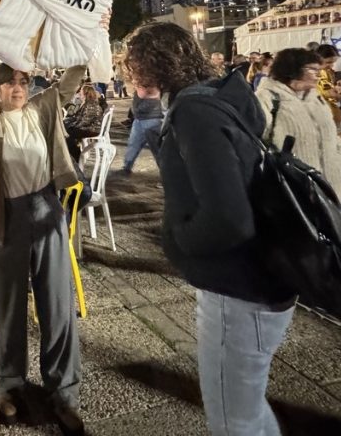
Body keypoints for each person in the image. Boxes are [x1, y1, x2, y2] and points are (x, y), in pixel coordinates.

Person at [127, 23, 297, 436]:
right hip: (261, 277)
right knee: (248, 409)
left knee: (233, 422)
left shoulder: (194, 113)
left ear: (152, 65)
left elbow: (229, 218)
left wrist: (178, 240)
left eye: (132, 66)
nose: (129, 76)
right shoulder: (219, 96)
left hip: (236, 289)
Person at [0, 5, 92, 434]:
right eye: (10, 82)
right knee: (8, 306)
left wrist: (87, 30)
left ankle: (64, 392)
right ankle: (9, 387)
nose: (18, 87)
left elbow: (72, 79)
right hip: (4, 216)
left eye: (23, 81)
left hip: (46, 209)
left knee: (58, 304)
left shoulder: (43, 107)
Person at [256, 48, 341, 201]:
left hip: (333, 190)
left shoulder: (316, 98)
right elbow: (257, 143)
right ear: (292, 70)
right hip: (292, 192)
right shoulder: (267, 98)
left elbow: (333, 135)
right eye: (312, 70)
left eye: (319, 70)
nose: (319, 75)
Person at [120, 84, 164, 174]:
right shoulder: (140, 84)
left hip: (152, 119)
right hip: (139, 119)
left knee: (157, 148)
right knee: (133, 144)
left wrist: (137, 109)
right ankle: (126, 167)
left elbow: (155, 97)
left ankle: (166, 172)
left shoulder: (154, 84)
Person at [64, 84, 105, 162]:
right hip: (89, 128)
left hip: (92, 130)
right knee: (67, 130)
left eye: (81, 92)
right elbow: (80, 119)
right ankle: (74, 155)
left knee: (68, 134)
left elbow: (84, 122)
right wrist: (69, 123)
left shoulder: (90, 105)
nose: (79, 93)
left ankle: (76, 157)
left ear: (86, 94)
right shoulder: (88, 103)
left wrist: (71, 126)